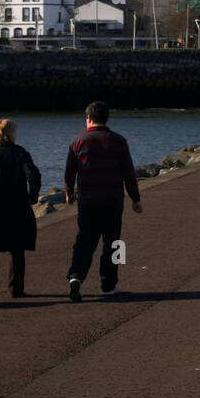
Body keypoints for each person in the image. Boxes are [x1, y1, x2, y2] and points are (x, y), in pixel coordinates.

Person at [65, 101, 143, 301]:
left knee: (84, 241)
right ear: (107, 118)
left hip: (87, 201)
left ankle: (76, 277)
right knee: (113, 242)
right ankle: (109, 284)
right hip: (113, 200)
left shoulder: (78, 141)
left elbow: (69, 173)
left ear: (88, 118)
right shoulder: (118, 141)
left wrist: (69, 193)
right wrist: (135, 198)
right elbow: (128, 172)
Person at [0, 118, 41, 304]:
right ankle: (16, 289)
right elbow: (34, 175)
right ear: (11, 133)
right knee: (17, 250)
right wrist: (32, 197)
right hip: (16, 207)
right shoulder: (20, 153)